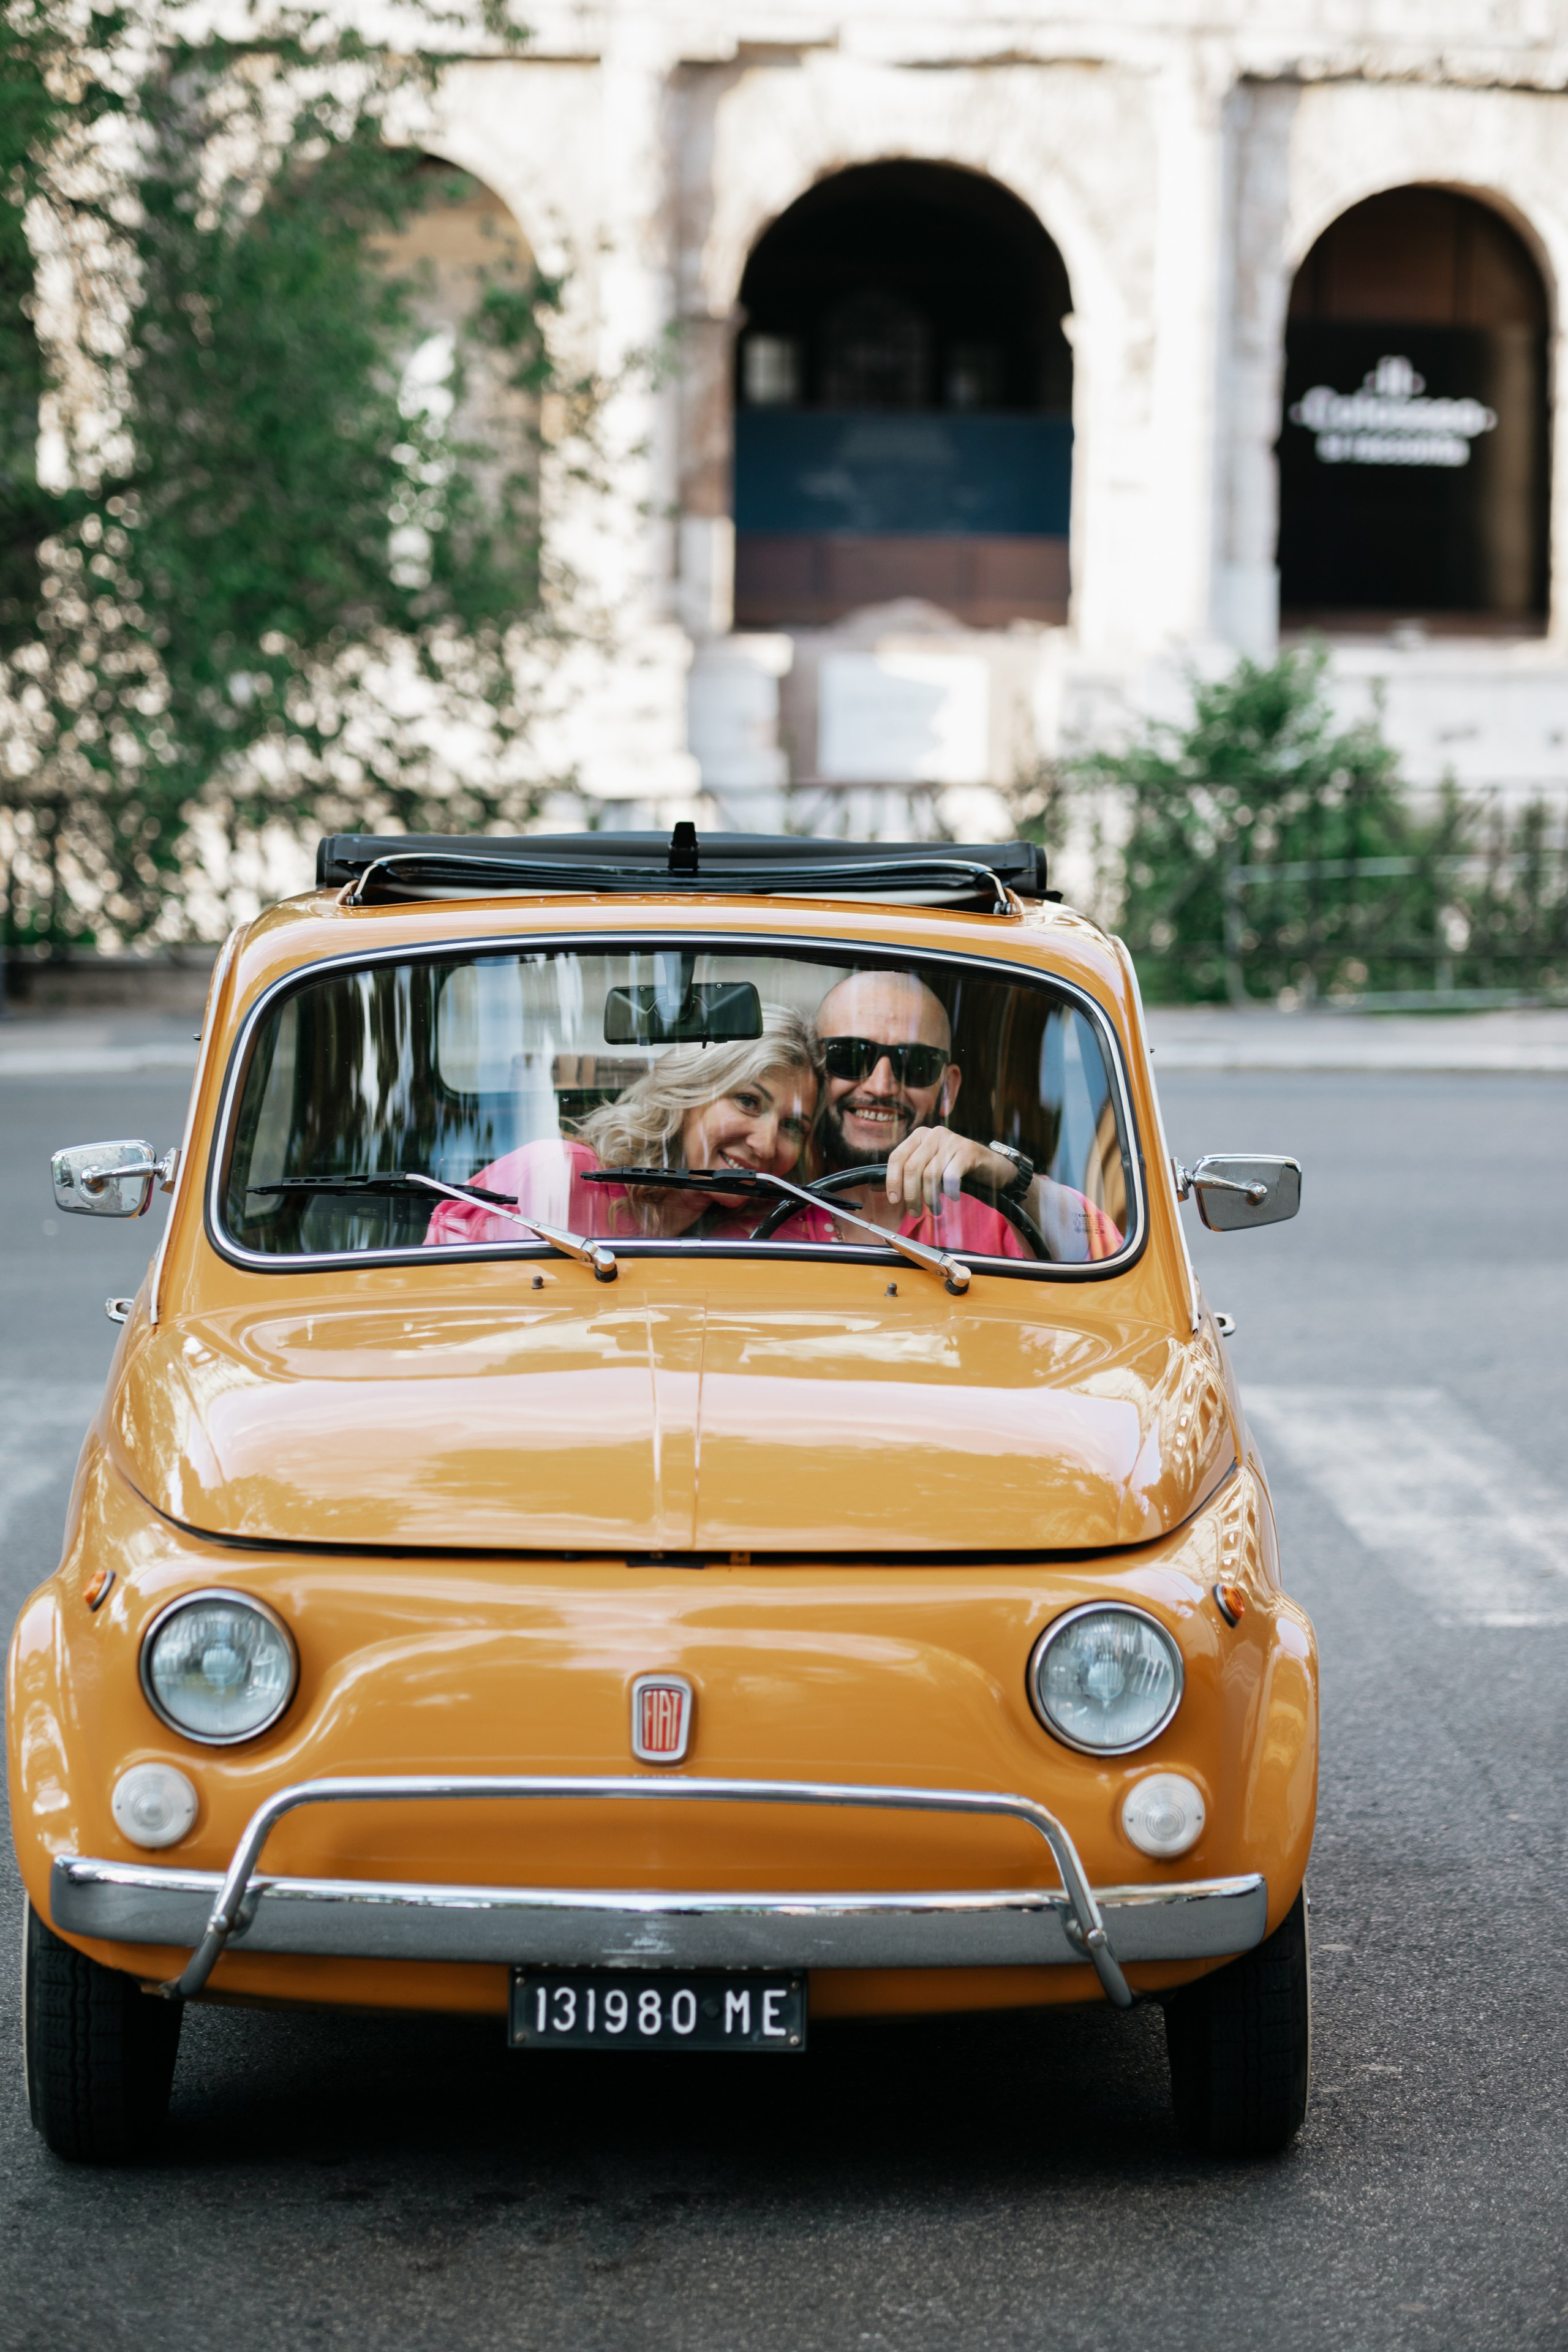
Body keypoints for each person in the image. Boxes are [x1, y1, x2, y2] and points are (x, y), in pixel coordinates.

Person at [769, 969, 1121, 1263]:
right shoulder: (766, 1201)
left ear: (948, 1089)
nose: (880, 1086)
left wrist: (1010, 1177)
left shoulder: (996, 1213)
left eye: (915, 1063)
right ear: (815, 1071)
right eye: (850, 1056)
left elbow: (1107, 1249)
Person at [423, 1005, 821, 1248]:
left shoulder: (760, 1232)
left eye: (792, 1126)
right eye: (748, 1102)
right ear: (692, 1091)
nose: (766, 1145)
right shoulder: (556, 1178)